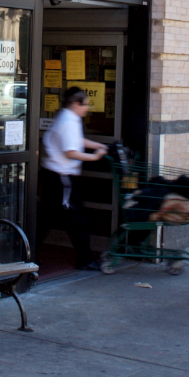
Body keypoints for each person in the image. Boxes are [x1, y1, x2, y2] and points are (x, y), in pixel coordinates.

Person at [38, 87, 107, 270]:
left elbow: (78, 141)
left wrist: (100, 145)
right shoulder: (68, 121)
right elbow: (71, 151)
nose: (87, 108)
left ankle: (25, 252)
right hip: (62, 177)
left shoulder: (69, 118)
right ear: (76, 104)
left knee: (46, 217)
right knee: (77, 220)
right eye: (86, 104)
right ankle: (85, 259)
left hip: (56, 175)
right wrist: (94, 157)